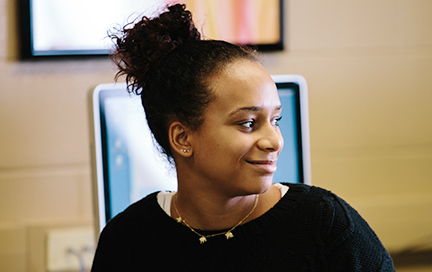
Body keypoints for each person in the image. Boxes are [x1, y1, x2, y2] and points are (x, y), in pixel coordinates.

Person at [91, 4, 394, 271]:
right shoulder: (128, 240)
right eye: (249, 123)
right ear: (183, 138)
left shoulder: (324, 225)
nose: (274, 141)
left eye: (275, 120)